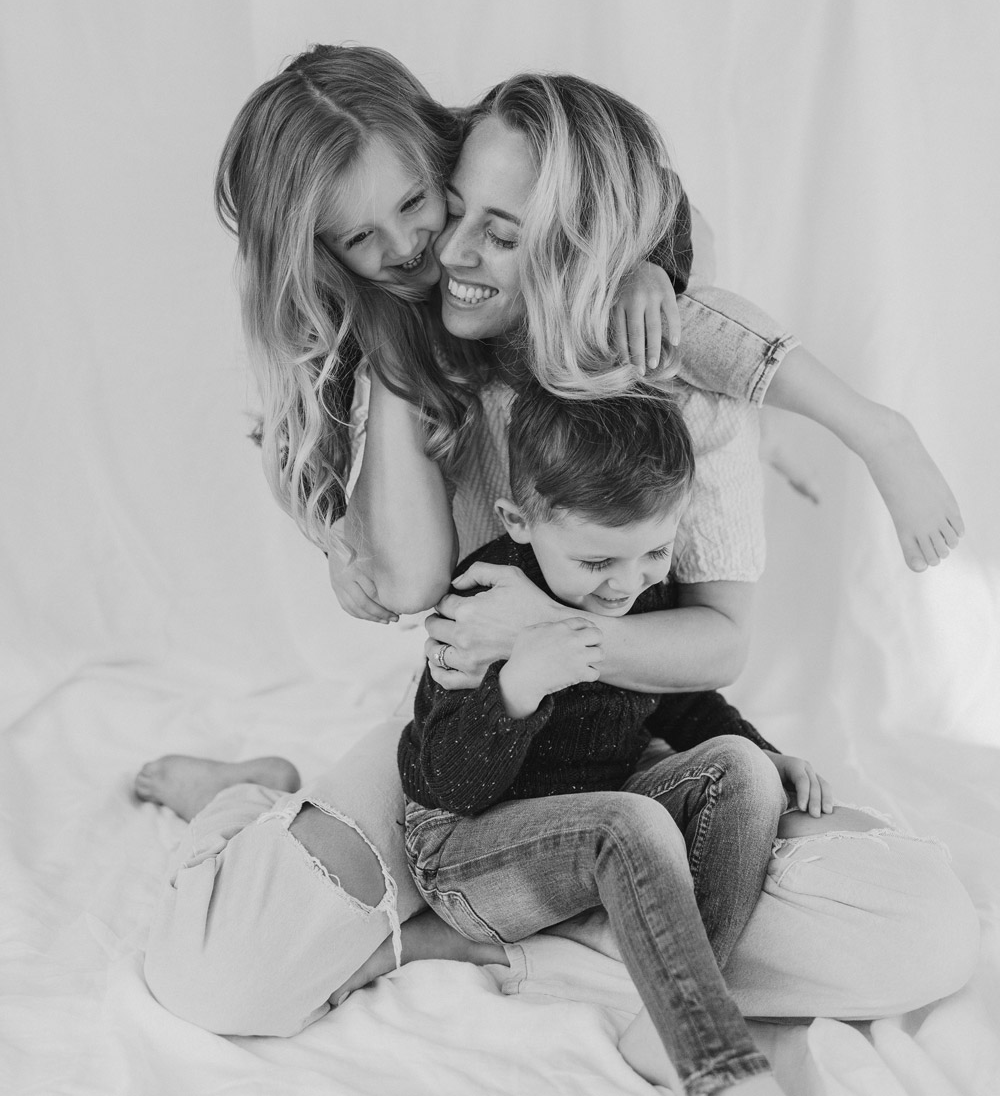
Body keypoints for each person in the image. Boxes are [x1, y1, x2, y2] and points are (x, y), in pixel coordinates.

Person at [137, 52, 973, 1036]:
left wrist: (555, 630)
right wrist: (395, 353)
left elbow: (717, 637)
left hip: (638, 749)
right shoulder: (415, 363)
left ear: (574, 240)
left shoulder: (669, 362)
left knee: (922, 935)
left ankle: (523, 927)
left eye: (472, 223)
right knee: (219, 982)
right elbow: (408, 579)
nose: (429, 251)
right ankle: (251, 803)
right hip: (463, 775)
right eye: (379, 235)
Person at [399, 381, 827, 1094]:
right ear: (520, 519)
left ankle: (668, 1024)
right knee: (627, 823)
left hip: (590, 828)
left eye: (656, 553)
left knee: (740, 769)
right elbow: (439, 781)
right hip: (466, 854)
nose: (625, 586)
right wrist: (519, 688)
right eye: (597, 563)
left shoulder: (636, 587)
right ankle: (718, 1065)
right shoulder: (482, 602)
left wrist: (765, 749)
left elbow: (677, 702)